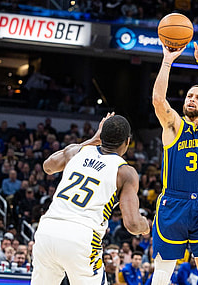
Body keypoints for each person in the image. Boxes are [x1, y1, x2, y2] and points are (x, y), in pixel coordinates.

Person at [31, 113, 150, 285]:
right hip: (82, 236)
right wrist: (145, 226)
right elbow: (132, 225)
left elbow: (48, 167)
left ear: (100, 136)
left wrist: (91, 140)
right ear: (127, 142)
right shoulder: (125, 172)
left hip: (47, 229)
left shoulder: (76, 151)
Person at [151, 32, 198, 285]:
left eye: (197, 97)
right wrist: (167, 61)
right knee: (163, 272)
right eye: (189, 96)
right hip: (173, 202)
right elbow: (158, 100)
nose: (191, 99)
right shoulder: (173, 126)